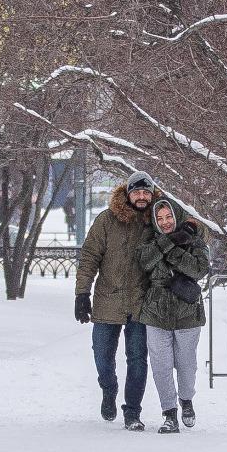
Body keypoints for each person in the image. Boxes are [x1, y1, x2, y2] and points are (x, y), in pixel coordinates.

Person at [73, 173, 157, 427]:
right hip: (108, 301)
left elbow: (197, 233)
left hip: (141, 303)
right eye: (137, 192)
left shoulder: (157, 219)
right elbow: (89, 257)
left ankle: (132, 413)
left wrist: (192, 229)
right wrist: (81, 293)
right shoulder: (106, 221)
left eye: (146, 192)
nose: (141, 197)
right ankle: (108, 389)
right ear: (127, 193)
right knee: (102, 357)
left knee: (137, 359)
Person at [136, 195, 210, 434]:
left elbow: (199, 269)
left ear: (176, 216)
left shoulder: (195, 240)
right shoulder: (149, 241)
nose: (165, 222)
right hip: (156, 310)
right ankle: (169, 414)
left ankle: (186, 400)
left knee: (186, 364)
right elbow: (144, 262)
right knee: (161, 366)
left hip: (186, 310)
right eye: (160, 219)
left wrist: (174, 249)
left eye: (168, 217)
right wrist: (168, 242)